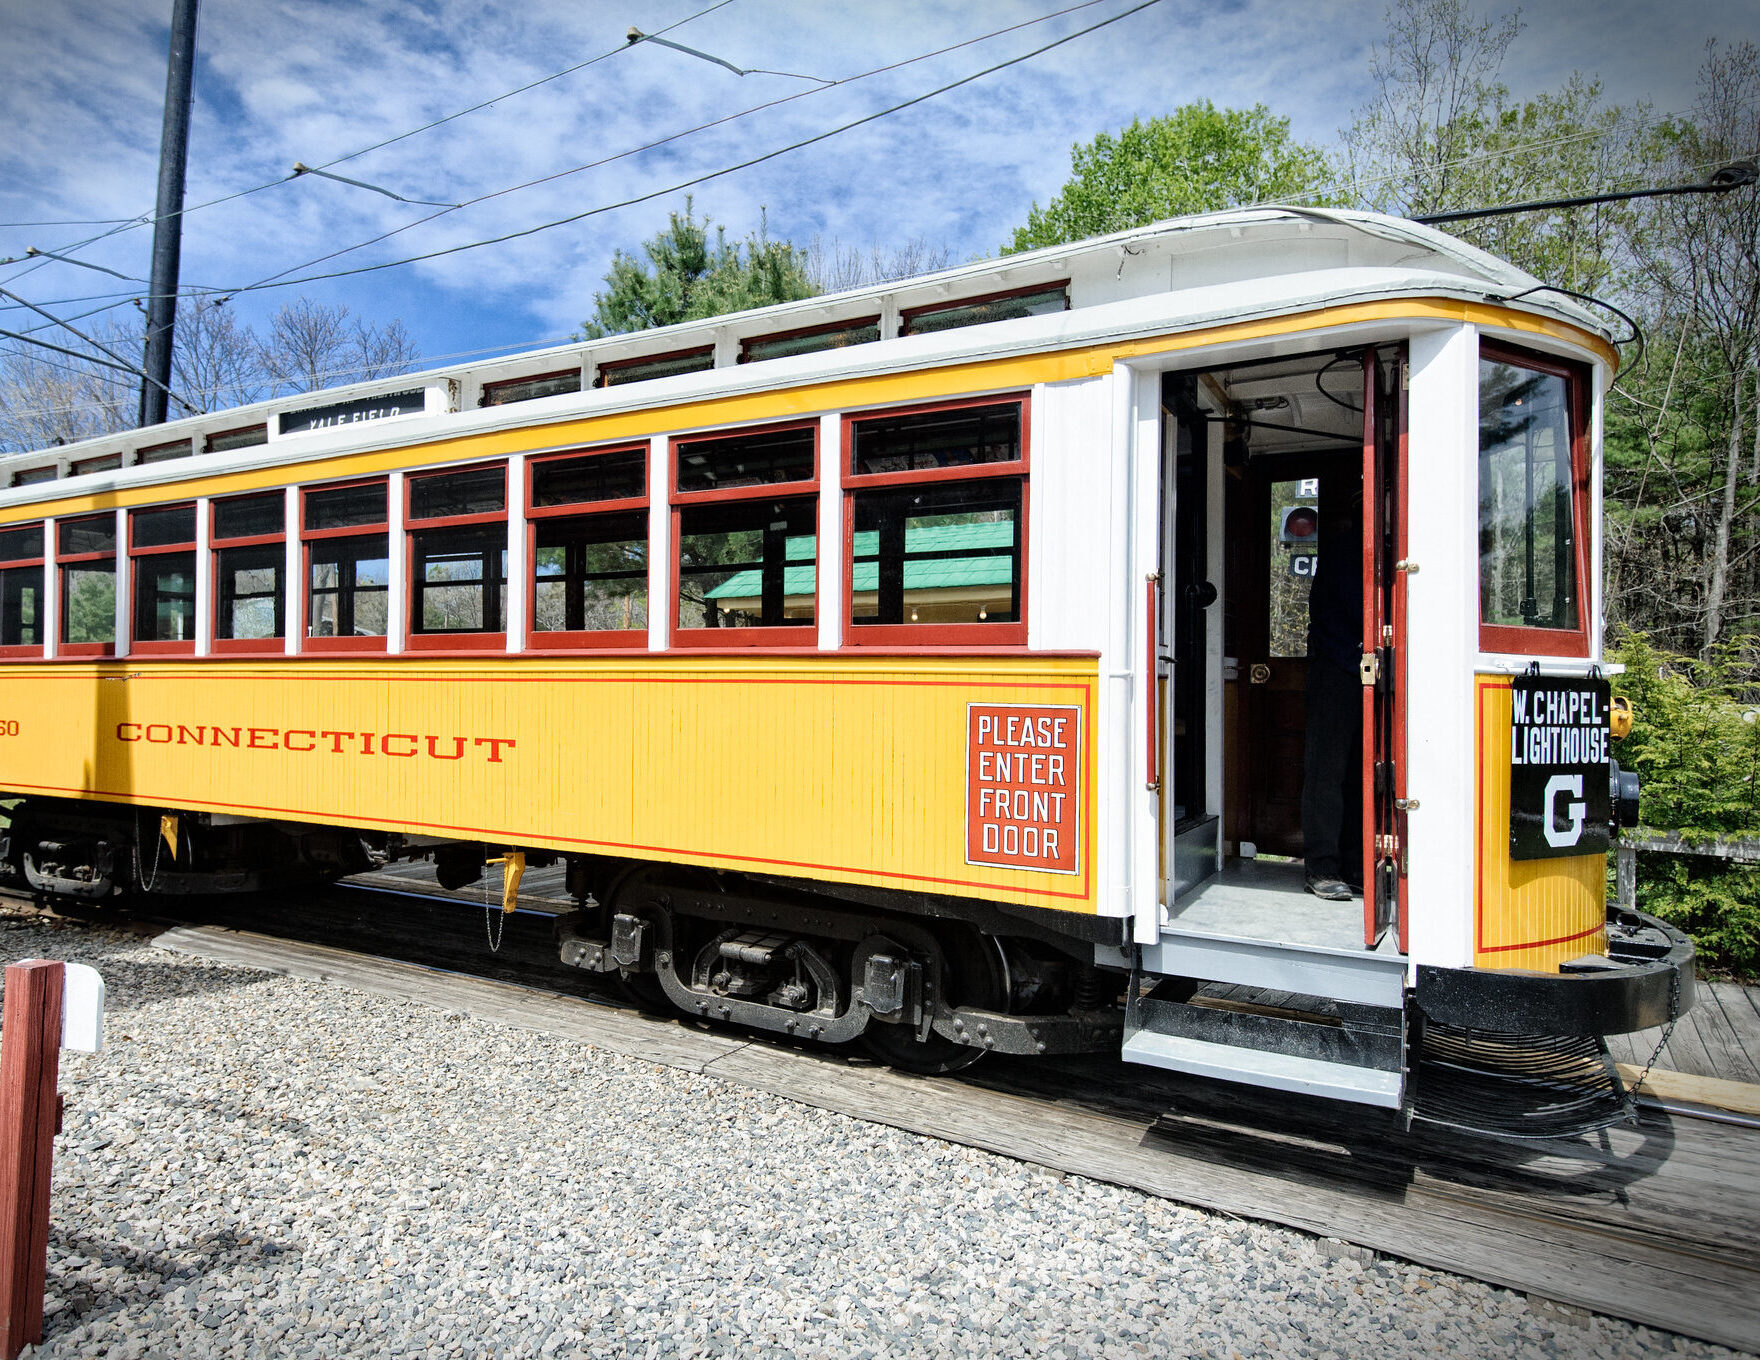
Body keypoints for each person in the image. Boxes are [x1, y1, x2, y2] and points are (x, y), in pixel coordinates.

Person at [1301, 485, 1363, 901]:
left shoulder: (1378, 550)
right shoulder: (1347, 551)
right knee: (1328, 772)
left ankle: (1357, 865)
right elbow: (1356, 613)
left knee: (1363, 772)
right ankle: (1322, 868)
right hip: (1338, 672)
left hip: (1367, 674)